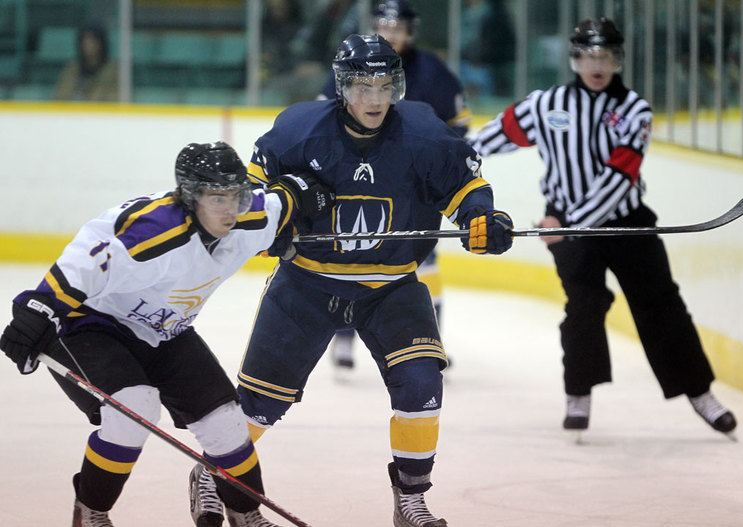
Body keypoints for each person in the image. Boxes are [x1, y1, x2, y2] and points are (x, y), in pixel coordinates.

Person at [189, 34, 513, 527]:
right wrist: (276, 219)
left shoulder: (424, 134)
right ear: (342, 87)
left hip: (390, 286)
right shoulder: (299, 132)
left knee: (422, 383)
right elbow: (254, 195)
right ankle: (213, 474)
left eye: (385, 85)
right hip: (308, 284)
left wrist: (482, 218)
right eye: (362, 87)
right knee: (260, 404)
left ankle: (411, 498)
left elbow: (467, 188)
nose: (375, 99)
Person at [0, 141, 333, 527]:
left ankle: (246, 514)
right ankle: (91, 511)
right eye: (217, 198)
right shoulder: (153, 231)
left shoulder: (252, 218)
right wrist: (37, 309)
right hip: (91, 323)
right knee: (134, 411)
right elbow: (85, 260)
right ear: (191, 198)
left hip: (165, 330)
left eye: (237, 195)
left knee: (226, 423)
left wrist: (307, 192)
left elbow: (285, 199)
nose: (231, 209)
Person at [469, 18, 737, 437]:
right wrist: (446, 160)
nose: (598, 64)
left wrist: (569, 226)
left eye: (607, 56)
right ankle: (579, 394)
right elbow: (488, 139)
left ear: (619, 60)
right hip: (565, 223)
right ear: (575, 58)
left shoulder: (635, 110)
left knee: (661, 304)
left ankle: (699, 393)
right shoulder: (547, 104)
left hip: (624, 222)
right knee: (584, 307)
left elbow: (620, 177)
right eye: (590, 55)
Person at [319, 0, 471, 376]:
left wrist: (441, 167)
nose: (391, 34)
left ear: (410, 31)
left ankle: (430, 338)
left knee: (426, 261)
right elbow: (323, 119)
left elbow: (459, 126)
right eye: (385, 25)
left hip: (414, 184)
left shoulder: (431, 70)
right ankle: (343, 336)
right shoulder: (352, 60)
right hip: (358, 179)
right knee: (351, 252)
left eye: (398, 27)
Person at [54, 25, 119, 102]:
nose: (88, 44)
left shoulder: (113, 71)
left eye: (92, 40)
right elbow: (59, 97)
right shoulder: (71, 69)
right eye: (84, 40)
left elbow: (115, 99)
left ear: (101, 43)